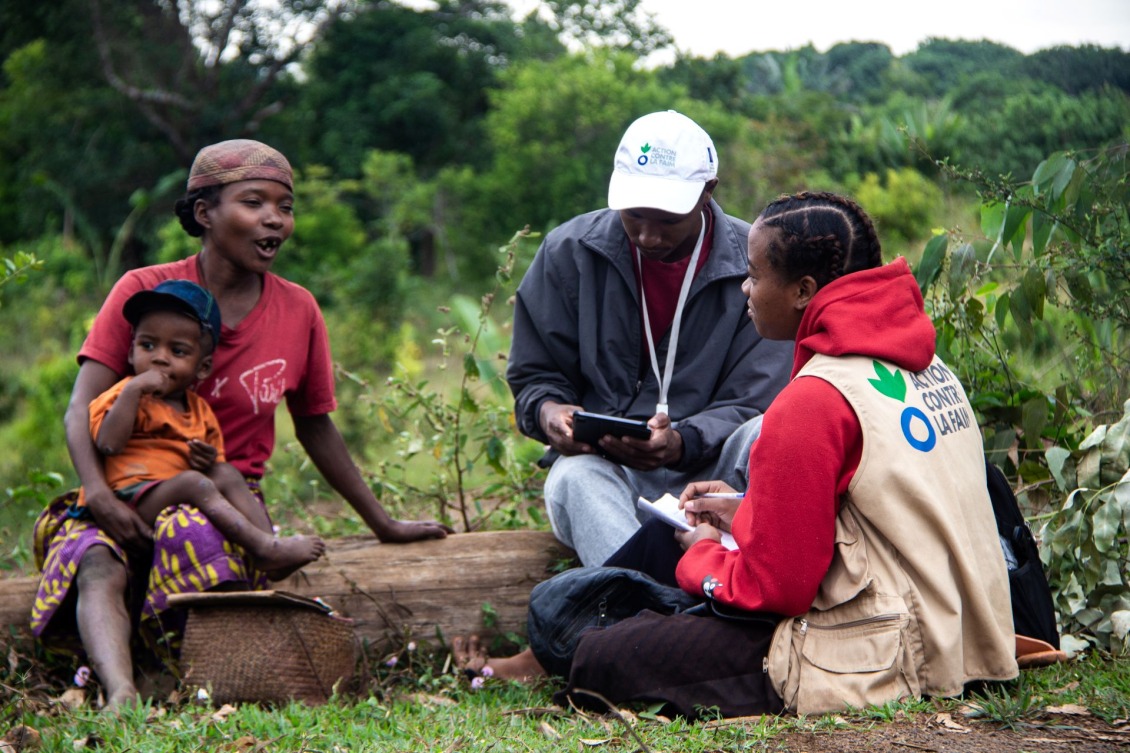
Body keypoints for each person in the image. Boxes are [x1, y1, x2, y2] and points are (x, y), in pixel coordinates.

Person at [456, 191, 1018, 718]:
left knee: (602, 659)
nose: (745, 291)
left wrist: (700, 553)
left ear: (802, 291)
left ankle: (581, 639)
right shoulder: (927, 367)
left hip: (880, 647)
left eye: (752, 276)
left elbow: (777, 590)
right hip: (961, 628)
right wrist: (747, 511)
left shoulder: (813, 399)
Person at [31, 139, 451, 710]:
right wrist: (99, 495)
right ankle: (121, 689)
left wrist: (384, 524)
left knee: (192, 531)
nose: (275, 218)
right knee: (93, 555)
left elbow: (317, 427)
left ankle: (194, 678)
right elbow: (81, 407)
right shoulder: (142, 293)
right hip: (119, 490)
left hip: (224, 503)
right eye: (254, 202)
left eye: (286, 205)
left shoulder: (298, 309)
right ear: (205, 213)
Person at [506, 110, 793, 566]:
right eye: (634, 214)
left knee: (768, 433)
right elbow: (535, 373)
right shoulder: (569, 253)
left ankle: (660, 602)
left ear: (707, 192)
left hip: (714, 473)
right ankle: (649, 609)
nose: (647, 235)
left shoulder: (757, 265)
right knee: (573, 478)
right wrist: (549, 412)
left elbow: (758, 400)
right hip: (610, 475)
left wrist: (682, 442)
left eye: (666, 219)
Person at [90, 279, 325, 578]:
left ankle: (271, 548)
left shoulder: (200, 411)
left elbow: (215, 469)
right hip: (132, 499)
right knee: (194, 483)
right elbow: (108, 443)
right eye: (147, 345)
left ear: (202, 369)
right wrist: (134, 391)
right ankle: (263, 547)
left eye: (177, 351)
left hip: (177, 491)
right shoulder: (121, 395)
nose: (159, 357)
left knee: (225, 473)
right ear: (130, 352)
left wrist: (207, 460)